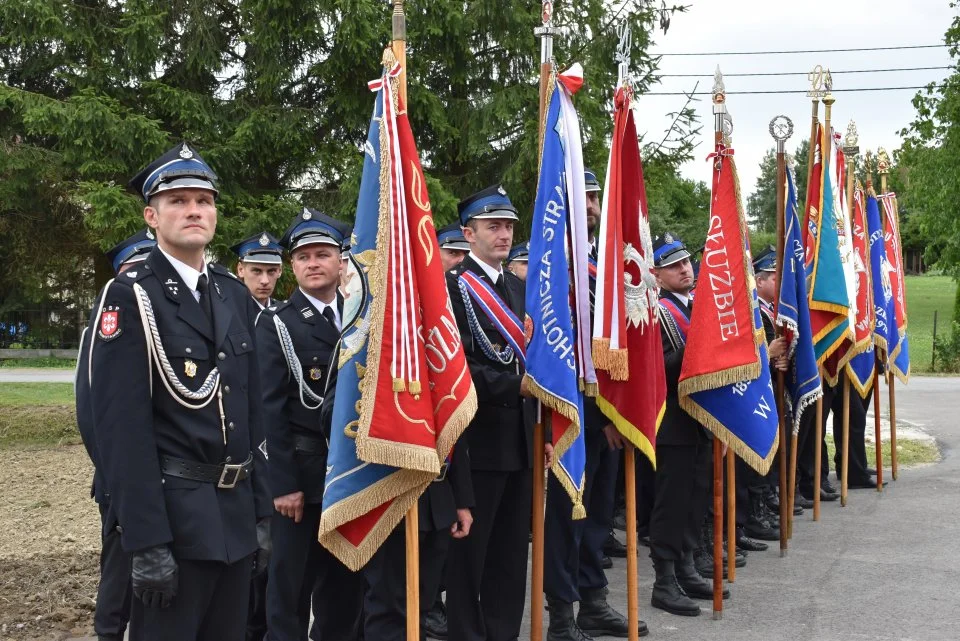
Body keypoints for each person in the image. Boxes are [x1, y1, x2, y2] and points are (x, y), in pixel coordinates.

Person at [86, 142, 272, 641]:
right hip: (176, 521)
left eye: (204, 200)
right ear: (152, 216)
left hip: (234, 519)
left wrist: (261, 510)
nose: (194, 210)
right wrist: (146, 541)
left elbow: (250, 410)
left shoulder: (231, 292)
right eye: (179, 201)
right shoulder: (130, 296)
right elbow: (121, 432)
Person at [444, 184, 551, 641]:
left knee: (511, 556)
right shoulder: (452, 288)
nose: (503, 234)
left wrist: (545, 430)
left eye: (507, 225)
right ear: (469, 233)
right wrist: (515, 385)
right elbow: (457, 366)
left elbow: (539, 360)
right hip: (478, 440)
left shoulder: (520, 287)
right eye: (493, 226)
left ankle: (503, 633)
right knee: (471, 558)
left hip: (522, 438)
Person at [543, 169, 643, 641]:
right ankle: (562, 612)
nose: (589, 205)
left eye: (595, 196)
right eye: (579, 197)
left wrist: (617, 413)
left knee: (598, 517)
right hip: (567, 416)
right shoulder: (548, 269)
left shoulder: (600, 269)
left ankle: (594, 601)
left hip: (606, 414)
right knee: (566, 517)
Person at [258, 208, 364, 641]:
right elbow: (269, 410)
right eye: (303, 257)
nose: (313, 263)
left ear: (342, 261)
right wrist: (283, 484)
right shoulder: (276, 324)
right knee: (291, 590)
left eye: (322, 254)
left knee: (345, 589)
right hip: (302, 476)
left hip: (352, 473)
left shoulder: (360, 316)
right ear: (293, 267)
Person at [76, 229, 156, 641]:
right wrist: (113, 474)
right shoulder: (102, 327)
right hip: (119, 477)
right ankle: (108, 632)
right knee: (120, 571)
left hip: (164, 480)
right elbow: (92, 413)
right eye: (134, 267)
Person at [648, 232, 728, 616]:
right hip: (671, 422)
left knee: (696, 497)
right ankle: (664, 580)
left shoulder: (699, 307)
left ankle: (685, 565)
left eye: (685, 262)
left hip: (701, 418)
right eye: (673, 266)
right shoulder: (657, 312)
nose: (684, 269)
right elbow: (656, 371)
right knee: (672, 502)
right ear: (657, 275)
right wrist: (693, 344)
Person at [230, 231, 284, 311]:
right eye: (257, 271)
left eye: (271, 271)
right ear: (240, 270)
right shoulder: (229, 312)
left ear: (279, 271)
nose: (265, 281)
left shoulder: (283, 313)